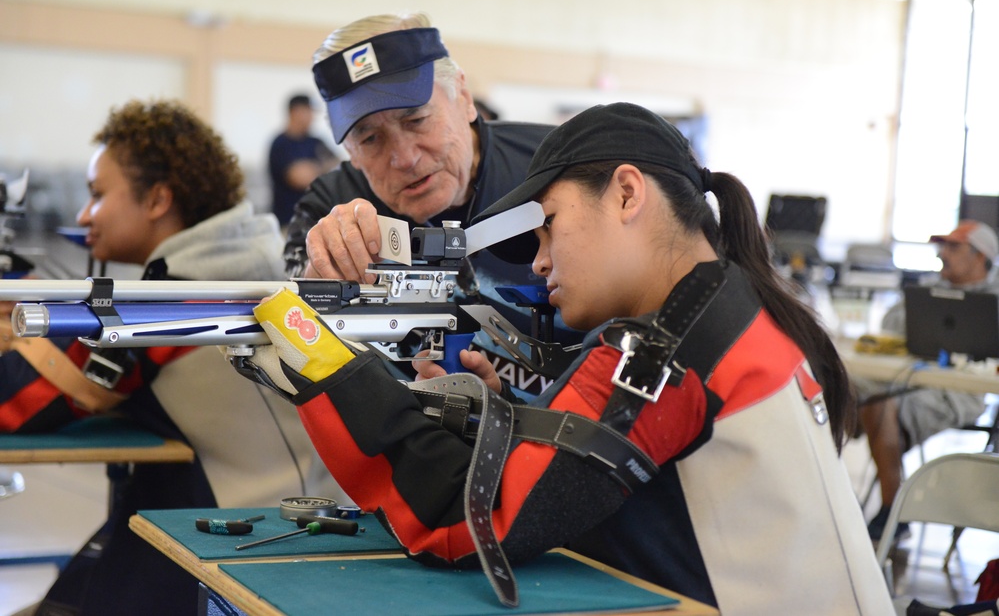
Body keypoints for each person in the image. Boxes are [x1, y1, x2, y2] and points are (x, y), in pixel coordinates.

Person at [242, 102, 893, 614]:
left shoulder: (660, 354)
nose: (538, 259)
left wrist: (320, 358)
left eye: (549, 223)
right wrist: (499, 412)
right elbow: (611, 470)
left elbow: (464, 520)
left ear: (626, 194)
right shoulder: (735, 306)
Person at [0, 100, 345, 616]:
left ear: (159, 198)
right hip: (276, 525)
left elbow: (17, 397)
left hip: (236, 550)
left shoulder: (180, 299)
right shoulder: (239, 261)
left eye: (97, 196)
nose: (82, 215)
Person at [283, 12, 579, 396]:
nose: (403, 157)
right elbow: (288, 323)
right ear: (350, 151)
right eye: (370, 139)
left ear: (465, 98)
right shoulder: (329, 207)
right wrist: (321, 271)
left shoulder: (561, 167)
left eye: (417, 119)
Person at [859, 219, 999, 543]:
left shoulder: (994, 297)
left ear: (981, 256)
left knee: (877, 405)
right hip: (910, 381)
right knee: (844, 393)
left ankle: (893, 509)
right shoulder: (932, 285)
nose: (943, 254)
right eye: (942, 246)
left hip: (962, 393)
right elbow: (890, 324)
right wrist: (930, 298)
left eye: (953, 247)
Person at [267, 93, 337, 227]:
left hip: (317, 220)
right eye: (308, 111)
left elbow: (338, 167)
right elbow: (299, 178)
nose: (312, 117)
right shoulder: (280, 144)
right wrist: (323, 168)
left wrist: (313, 168)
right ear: (294, 112)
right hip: (288, 221)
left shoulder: (316, 141)